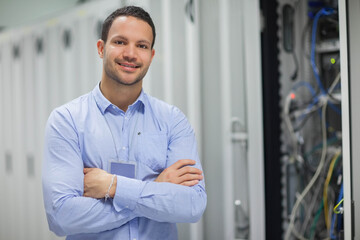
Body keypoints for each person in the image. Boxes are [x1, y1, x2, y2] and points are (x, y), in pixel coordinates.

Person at [42, 5, 207, 240]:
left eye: (142, 46)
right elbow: (62, 216)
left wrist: (113, 186)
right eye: (120, 42)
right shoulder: (67, 121)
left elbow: (192, 205)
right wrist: (156, 189)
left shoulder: (172, 121)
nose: (131, 53)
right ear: (101, 48)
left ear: (151, 55)